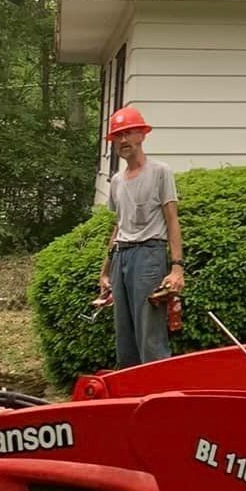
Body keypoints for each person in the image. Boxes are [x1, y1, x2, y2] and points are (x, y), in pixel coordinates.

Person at [97, 106, 184, 369]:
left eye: (129, 133)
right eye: (118, 136)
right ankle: (131, 397)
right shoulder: (116, 181)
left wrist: (177, 268)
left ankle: (159, 397)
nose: (123, 140)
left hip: (149, 255)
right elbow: (118, 225)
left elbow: (171, 219)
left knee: (150, 334)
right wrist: (105, 271)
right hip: (122, 255)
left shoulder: (160, 172)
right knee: (124, 335)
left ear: (142, 136)